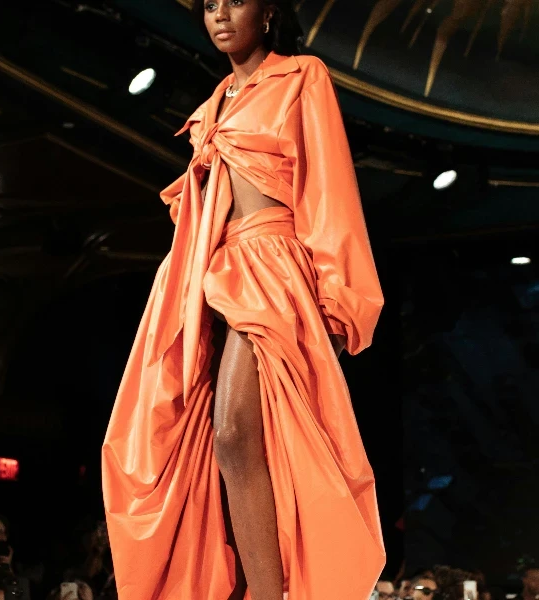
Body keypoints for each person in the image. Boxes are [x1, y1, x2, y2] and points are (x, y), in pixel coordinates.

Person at [100, 0, 385, 599]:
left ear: (269, 9)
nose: (220, 14)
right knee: (187, 436)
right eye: (208, 4)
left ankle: (268, 592)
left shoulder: (301, 75)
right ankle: (247, 583)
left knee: (233, 434)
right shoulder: (212, 105)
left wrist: (338, 297)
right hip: (210, 272)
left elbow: (329, 184)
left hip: (273, 271)